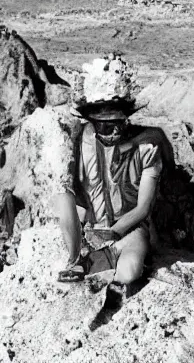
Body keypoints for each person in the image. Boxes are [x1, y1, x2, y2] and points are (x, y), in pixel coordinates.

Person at [55, 55, 163, 302]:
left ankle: (95, 263)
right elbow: (77, 195)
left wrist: (112, 233)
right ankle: (77, 261)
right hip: (93, 226)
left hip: (130, 229)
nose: (113, 131)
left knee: (129, 271)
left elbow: (143, 207)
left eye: (118, 123)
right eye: (104, 125)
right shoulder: (80, 143)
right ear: (91, 122)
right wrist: (83, 229)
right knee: (61, 199)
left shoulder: (146, 148)